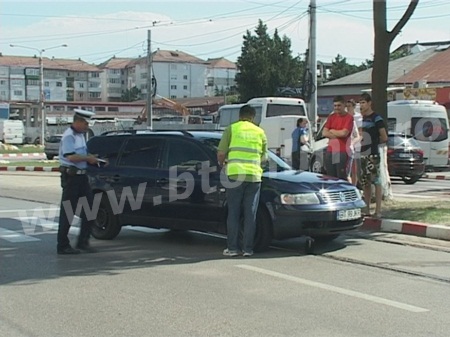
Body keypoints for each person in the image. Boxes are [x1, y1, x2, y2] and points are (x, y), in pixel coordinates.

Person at [217, 104, 267, 257]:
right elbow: (264, 159)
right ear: (253, 117)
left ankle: (232, 249)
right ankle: (248, 249)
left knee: (234, 213)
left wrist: (223, 164)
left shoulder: (231, 129)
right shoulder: (260, 132)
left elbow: (221, 153)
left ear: (239, 116)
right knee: (250, 214)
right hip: (254, 177)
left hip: (235, 176)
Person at [57, 109, 104, 255]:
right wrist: (87, 159)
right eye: (85, 123)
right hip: (71, 178)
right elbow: (71, 157)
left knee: (90, 209)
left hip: (82, 178)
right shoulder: (69, 136)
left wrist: (94, 159)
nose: (86, 125)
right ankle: (63, 245)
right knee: (68, 212)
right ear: (77, 121)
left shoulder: (81, 135)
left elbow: (82, 154)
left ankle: (83, 242)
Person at [359, 93, 388, 218]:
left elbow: (384, 136)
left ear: (370, 103)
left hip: (373, 154)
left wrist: (374, 142)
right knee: (366, 182)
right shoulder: (362, 118)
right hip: (363, 153)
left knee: (376, 181)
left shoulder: (376, 118)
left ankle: (378, 210)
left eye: (363, 102)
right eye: (360, 103)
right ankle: (366, 208)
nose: (361, 105)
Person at [322, 95, 354, 180]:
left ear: (344, 105)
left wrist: (331, 131)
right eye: (335, 106)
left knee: (341, 177)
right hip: (330, 150)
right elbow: (324, 132)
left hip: (342, 151)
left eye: (339, 105)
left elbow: (344, 133)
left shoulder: (349, 118)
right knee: (330, 177)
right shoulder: (331, 117)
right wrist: (337, 134)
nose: (337, 108)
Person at [346, 99, 363, 186]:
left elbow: (360, 134)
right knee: (347, 169)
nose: (348, 108)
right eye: (347, 106)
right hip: (346, 147)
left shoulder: (358, 117)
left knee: (355, 169)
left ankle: (354, 186)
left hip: (356, 146)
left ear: (354, 107)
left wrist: (353, 142)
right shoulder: (344, 116)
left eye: (349, 106)